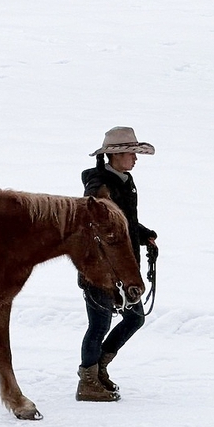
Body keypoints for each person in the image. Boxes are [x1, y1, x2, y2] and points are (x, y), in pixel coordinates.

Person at [76, 126, 160, 403]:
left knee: (134, 318)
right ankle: (88, 381)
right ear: (117, 155)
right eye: (131, 153)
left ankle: (98, 368)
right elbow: (101, 219)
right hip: (99, 267)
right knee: (98, 325)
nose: (135, 158)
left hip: (123, 266)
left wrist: (142, 234)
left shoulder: (124, 180)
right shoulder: (99, 184)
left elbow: (122, 220)